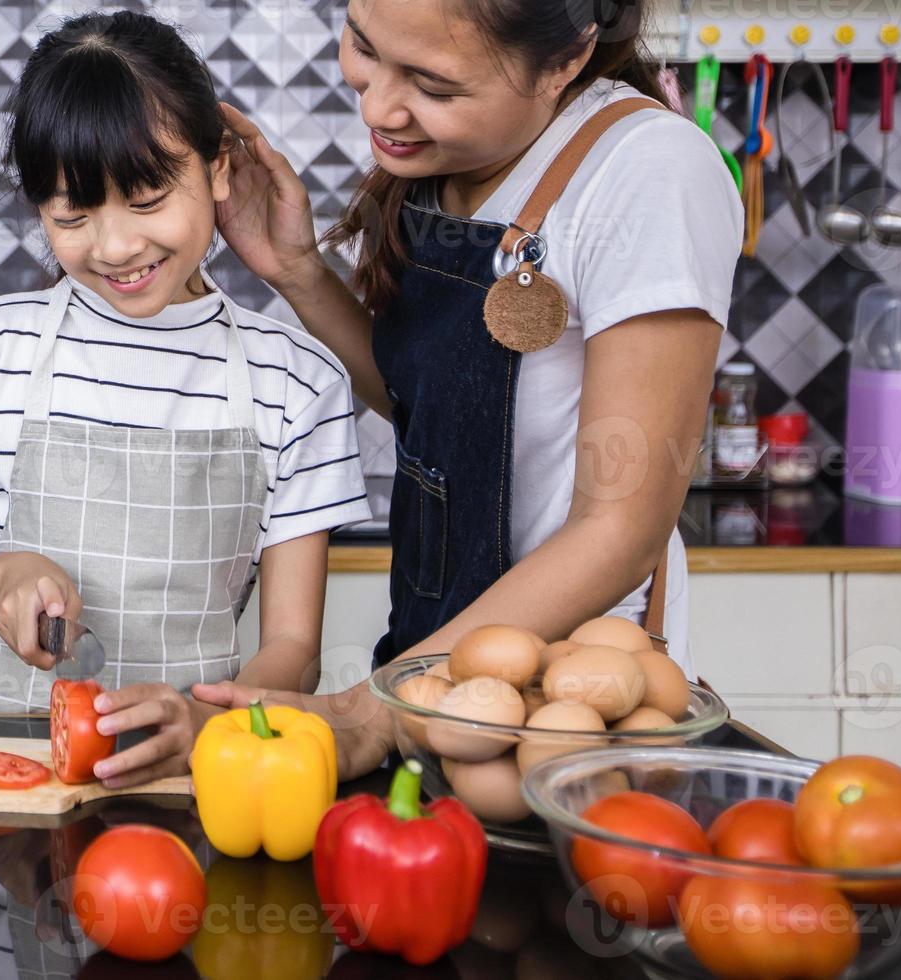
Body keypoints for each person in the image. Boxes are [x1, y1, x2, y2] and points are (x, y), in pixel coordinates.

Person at [199, 0, 741, 776]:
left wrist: (375, 710)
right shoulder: (451, 163)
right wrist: (295, 270)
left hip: (568, 699)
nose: (379, 105)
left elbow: (620, 530)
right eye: (362, 44)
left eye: (432, 85)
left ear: (564, 60)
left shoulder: (648, 172)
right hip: (430, 662)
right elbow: (436, 407)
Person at [0, 11, 372, 788]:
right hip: (5, 777)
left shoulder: (296, 380)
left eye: (147, 199)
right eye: (70, 216)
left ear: (218, 170)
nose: (113, 247)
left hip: (193, 778)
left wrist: (211, 725)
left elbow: (294, 648)